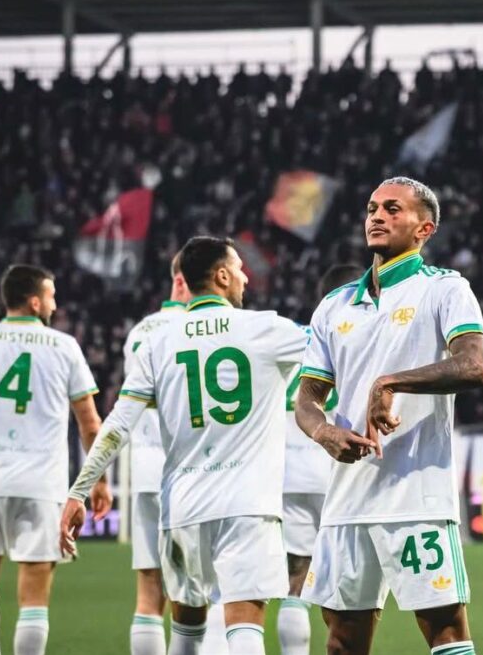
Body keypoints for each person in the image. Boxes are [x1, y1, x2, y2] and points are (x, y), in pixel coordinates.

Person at [60, 236, 309, 655]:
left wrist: (78, 491)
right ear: (222, 276)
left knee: (187, 631)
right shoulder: (268, 328)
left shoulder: (157, 341)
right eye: (240, 269)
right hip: (248, 504)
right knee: (245, 624)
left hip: (183, 507)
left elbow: (118, 424)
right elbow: (338, 347)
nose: (246, 278)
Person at [295, 176, 483, 655]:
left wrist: (390, 382)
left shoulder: (444, 289)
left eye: (392, 209)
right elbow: (307, 398)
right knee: (342, 641)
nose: (377, 217)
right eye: (371, 209)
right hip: (347, 499)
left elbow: (476, 365)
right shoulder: (334, 305)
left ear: (425, 228)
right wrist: (323, 432)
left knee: (446, 633)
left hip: (415, 495)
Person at [0, 264, 112, 655]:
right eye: (51, 296)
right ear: (34, 301)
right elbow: (90, 424)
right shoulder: (64, 346)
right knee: (34, 597)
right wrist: (98, 480)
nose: (54, 304)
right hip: (42, 485)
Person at [278, 262, 363, 655]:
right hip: (340, 468)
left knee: (296, 577)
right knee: (344, 581)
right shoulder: (361, 332)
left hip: (288, 470)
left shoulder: (289, 337)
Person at [122, 254, 191, 655]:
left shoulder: (139, 331)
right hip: (190, 470)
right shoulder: (198, 329)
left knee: (149, 592)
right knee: (198, 593)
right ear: (182, 281)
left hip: (146, 470)